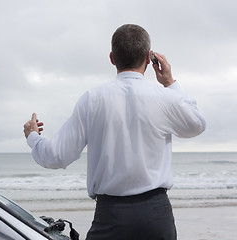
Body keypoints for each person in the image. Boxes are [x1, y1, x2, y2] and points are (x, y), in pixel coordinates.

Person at [23, 24, 206, 240]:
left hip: (110, 215)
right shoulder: (164, 97)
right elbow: (197, 124)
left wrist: (33, 136)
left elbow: (56, 156)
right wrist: (170, 82)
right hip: (156, 214)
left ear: (112, 58)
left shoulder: (92, 99)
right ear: (149, 58)